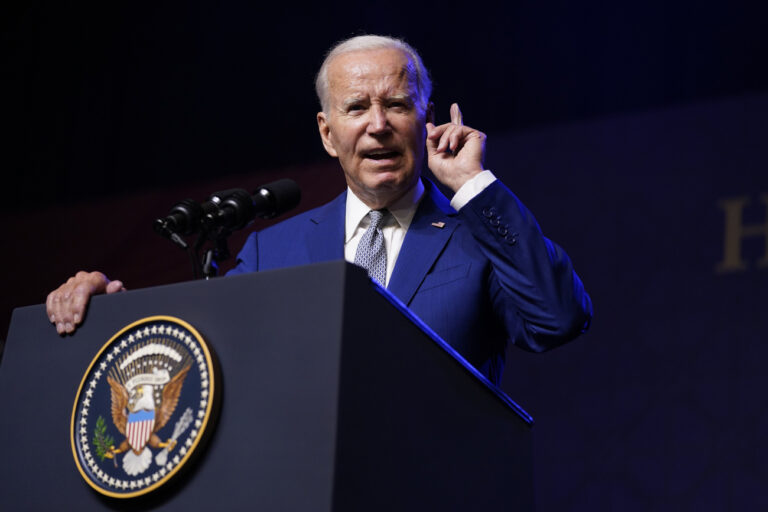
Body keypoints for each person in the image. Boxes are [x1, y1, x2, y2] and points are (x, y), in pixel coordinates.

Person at [46, 35, 592, 385]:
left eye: (397, 104)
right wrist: (109, 314)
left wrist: (473, 185)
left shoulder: (478, 236)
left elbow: (558, 319)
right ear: (329, 134)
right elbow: (200, 360)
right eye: (357, 108)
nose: (377, 124)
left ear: (425, 118)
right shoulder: (269, 250)